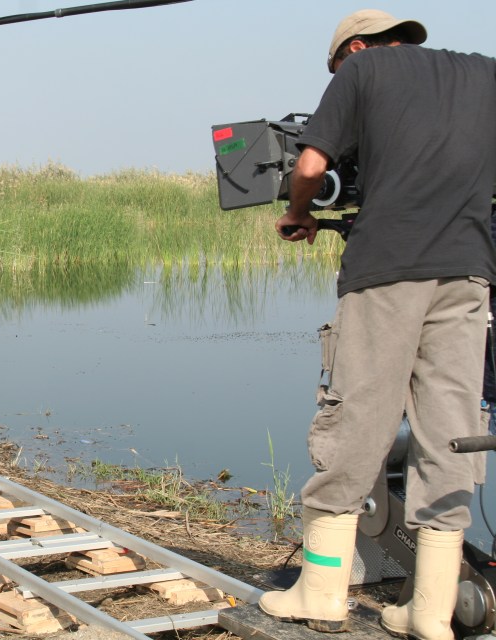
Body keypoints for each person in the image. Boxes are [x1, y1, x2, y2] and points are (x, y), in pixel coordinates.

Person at [258, 10, 496, 640]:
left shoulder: (361, 68)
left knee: (356, 417)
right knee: (451, 432)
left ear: (355, 49)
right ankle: (430, 613)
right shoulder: (485, 75)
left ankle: (323, 592)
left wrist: (299, 212)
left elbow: (310, 166)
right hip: (470, 275)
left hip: (388, 269)